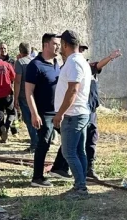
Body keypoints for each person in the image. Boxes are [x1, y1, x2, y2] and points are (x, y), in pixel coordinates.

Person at [51, 46, 122, 180]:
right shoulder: (71, 68)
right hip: (77, 111)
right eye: (80, 49)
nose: (82, 52)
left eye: (83, 50)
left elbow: (98, 65)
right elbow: (69, 91)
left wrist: (110, 57)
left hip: (89, 110)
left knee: (88, 140)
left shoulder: (85, 67)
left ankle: (86, 171)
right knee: (72, 145)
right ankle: (64, 171)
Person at [52, 30, 93, 199]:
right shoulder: (80, 61)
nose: (60, 49)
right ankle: (81, 183)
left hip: (73, 115)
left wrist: (60, 114)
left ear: (65, 45)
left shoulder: (74, 63)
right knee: (79, 151)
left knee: (69, 152)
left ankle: (81, 188)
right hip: (79, 113)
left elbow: (73, 90)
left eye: (61, 45)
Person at [26, 33, 62, 188]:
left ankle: (59, 169)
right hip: (43, 113)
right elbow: (29, 92)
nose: (58, 46)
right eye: (55, 43)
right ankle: (37, 178)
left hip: (58, 111)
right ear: (46, 45)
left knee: (69, 139)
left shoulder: (56, 63)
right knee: (44, 143)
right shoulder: (35, 65)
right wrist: (34, 113)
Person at [14, 42, 38, 152]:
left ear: (20, 51)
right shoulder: (35, 61)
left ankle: (34, 144)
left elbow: (18, 81)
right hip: (35, 94)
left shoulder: (20, 63)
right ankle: (37, 141)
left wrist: (16, 98)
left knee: (29, 120)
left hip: (24, 95)